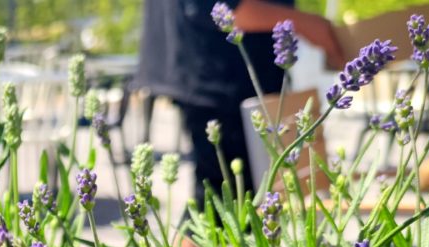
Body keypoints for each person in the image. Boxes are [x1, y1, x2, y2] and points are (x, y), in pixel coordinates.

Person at [135, 0, 344, 205]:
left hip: (226, 76)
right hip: (218, 79)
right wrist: (306, 23)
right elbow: (218, 7)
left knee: (232, 198)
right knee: (223, 202)